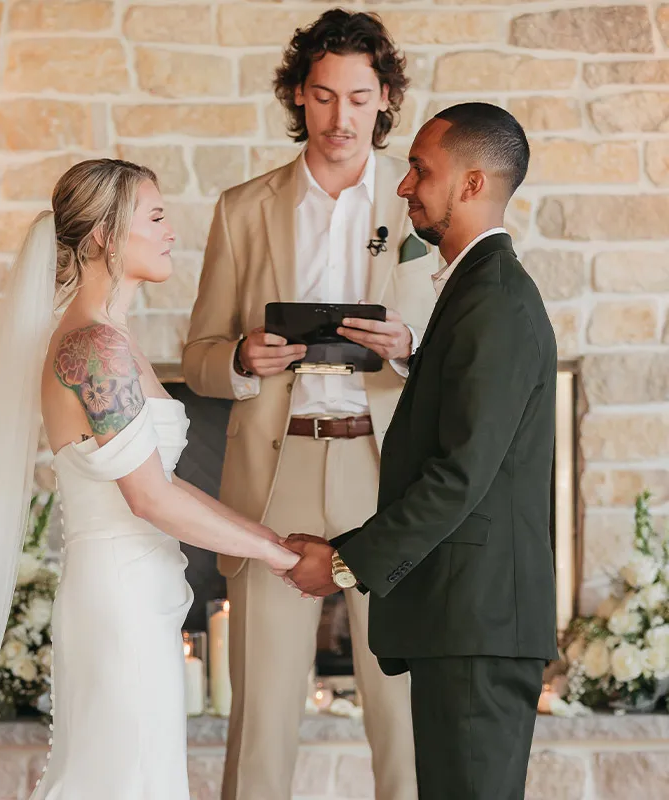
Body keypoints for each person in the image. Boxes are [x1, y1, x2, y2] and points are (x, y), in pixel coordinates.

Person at [0, 159, 299, 800]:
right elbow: (151, 495)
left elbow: (159, 485)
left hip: (138, 591)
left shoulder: (112, 339)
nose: (170, 232)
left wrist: (267, 538)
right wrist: (272, 551)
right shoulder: (92, 347)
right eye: (155, 217)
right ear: (103, 236)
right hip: (118, 603)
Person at [182, 10, 437, 800]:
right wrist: (240, 360)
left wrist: (408, 349)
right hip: (272, 472)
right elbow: (198, 357)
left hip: (384, 471)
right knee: (259, 716)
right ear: (300, 96)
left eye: (359, 98)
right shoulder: (242, 208)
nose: (340, 119)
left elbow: (461, 358)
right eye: (323, 97)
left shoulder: (422, 205)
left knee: (400, 712)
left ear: (385, 96)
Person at [284, 103, 559, 800]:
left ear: (471, 184)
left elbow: (460, 474)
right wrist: (417, 354)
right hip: (465, 623)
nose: (403, 187)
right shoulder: (477, 292)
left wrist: (346, 563)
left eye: (419, 169)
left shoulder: (494, 298)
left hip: (477, 625)